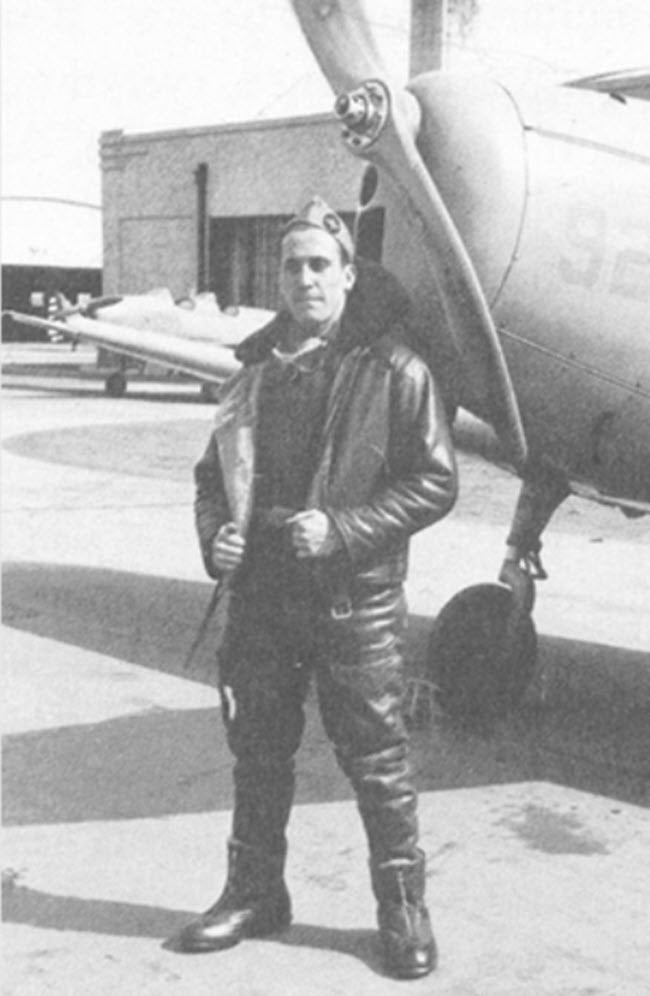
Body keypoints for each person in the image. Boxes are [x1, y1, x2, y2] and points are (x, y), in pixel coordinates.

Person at [173, 196, 457, 979]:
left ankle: (402, 908)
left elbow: (436, 482)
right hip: (262, 597)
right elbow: (210, 479)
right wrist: (217, 538)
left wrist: (343, 529)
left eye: (320, 265)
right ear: (280, 277)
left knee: (377, 760)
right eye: (293, 266)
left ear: (348, 274)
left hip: (352, 600)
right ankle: (255, 892)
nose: (305, 279)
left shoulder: (397, 370)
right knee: (258, 751)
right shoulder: (253, 372)